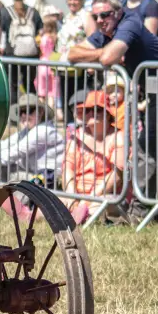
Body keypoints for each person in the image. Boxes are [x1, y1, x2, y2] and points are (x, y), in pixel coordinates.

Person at [68, 0, 158, 206]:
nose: (100, 20)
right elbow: (73, 54)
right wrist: (106, 51)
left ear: (118, 12)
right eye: (96, 17)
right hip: (154, 86)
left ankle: (141, 205)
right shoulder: (106, 33)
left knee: (151, 140)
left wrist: (106, 54)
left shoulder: (129, 23)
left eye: (105, 15)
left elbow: (108, 59)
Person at [0, 93, 64, 188]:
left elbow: (14, 152)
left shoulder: (44, 130)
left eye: (28, 110)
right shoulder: (28, 131)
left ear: (41, 112)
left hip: (46, 181)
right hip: (31, 175)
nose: (23, 115)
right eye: (20, 111)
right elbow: (3, 145)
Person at [62, 91, 127, 226]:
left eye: (98, 109)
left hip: (104, 194)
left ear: (108, 114)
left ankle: (79, 216)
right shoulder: (77, 136)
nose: (92, 113)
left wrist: (88, 199)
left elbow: (117, 176)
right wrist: (72, 196)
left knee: (100, 204)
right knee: (52, 200)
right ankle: (26, 213)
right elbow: (68, 168)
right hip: (77, 193)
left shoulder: (118, 136)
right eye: (88, 110)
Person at [35, 17, 59, 106]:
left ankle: (42, 113)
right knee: (50, 93)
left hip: (43, 64)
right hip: (52, 64)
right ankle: (51, 113)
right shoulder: (55, 37)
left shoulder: (43, 38)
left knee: (42, 92)